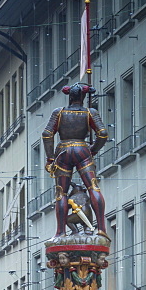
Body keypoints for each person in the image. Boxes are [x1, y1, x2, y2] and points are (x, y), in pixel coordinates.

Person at [42, 82, 109, 236]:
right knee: (93, 187)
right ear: (83, 96)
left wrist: (50, 158)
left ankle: (60, 232)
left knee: (61, 193)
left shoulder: (58, 112)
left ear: (69, 97)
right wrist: (93, 150)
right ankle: (101, 229)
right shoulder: (89, 112)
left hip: (63, 151)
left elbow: (47, 134)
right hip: (82, 148)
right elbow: (103, 134)